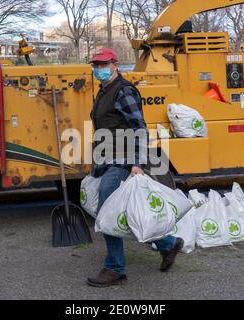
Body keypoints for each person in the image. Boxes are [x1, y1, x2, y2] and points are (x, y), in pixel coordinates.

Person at [86, 48, 184, 287]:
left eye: (103, 64)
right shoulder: (105, 90)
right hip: (108, 159)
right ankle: (168, 244)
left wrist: (137, 164)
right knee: (124, 210)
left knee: (108, 208)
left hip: (122, 161)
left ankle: (115, 268)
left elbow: (139, 128)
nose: (98, 68)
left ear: (115, 64)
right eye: (95, 65)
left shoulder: (123, 91)